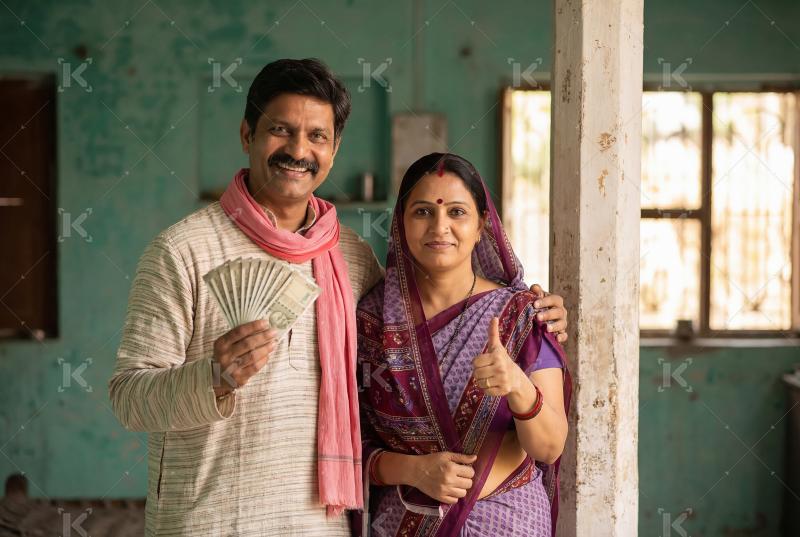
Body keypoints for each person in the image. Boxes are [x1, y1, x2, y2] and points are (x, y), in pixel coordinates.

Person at [108, 58, 569, 536]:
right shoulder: (183, 251)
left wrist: (538, 315)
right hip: (213, 521)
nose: (298, 150)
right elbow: (128, 399)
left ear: (334, 150)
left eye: (317, 136)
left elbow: (426, 317)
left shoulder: (349, 256)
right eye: (280, 130)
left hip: (319, 525)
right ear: (247, 135)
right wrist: (214, 379)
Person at [356, 153, 572, 537]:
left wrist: (518, 386)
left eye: (457, 212)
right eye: (423, 212)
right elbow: (348, 445)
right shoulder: (371, 322)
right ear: (401, 222)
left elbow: (549, 448)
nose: (440, 226)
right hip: (404, 523)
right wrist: (413, 470)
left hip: (509, 523)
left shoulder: (521, 315)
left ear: (481, 225)